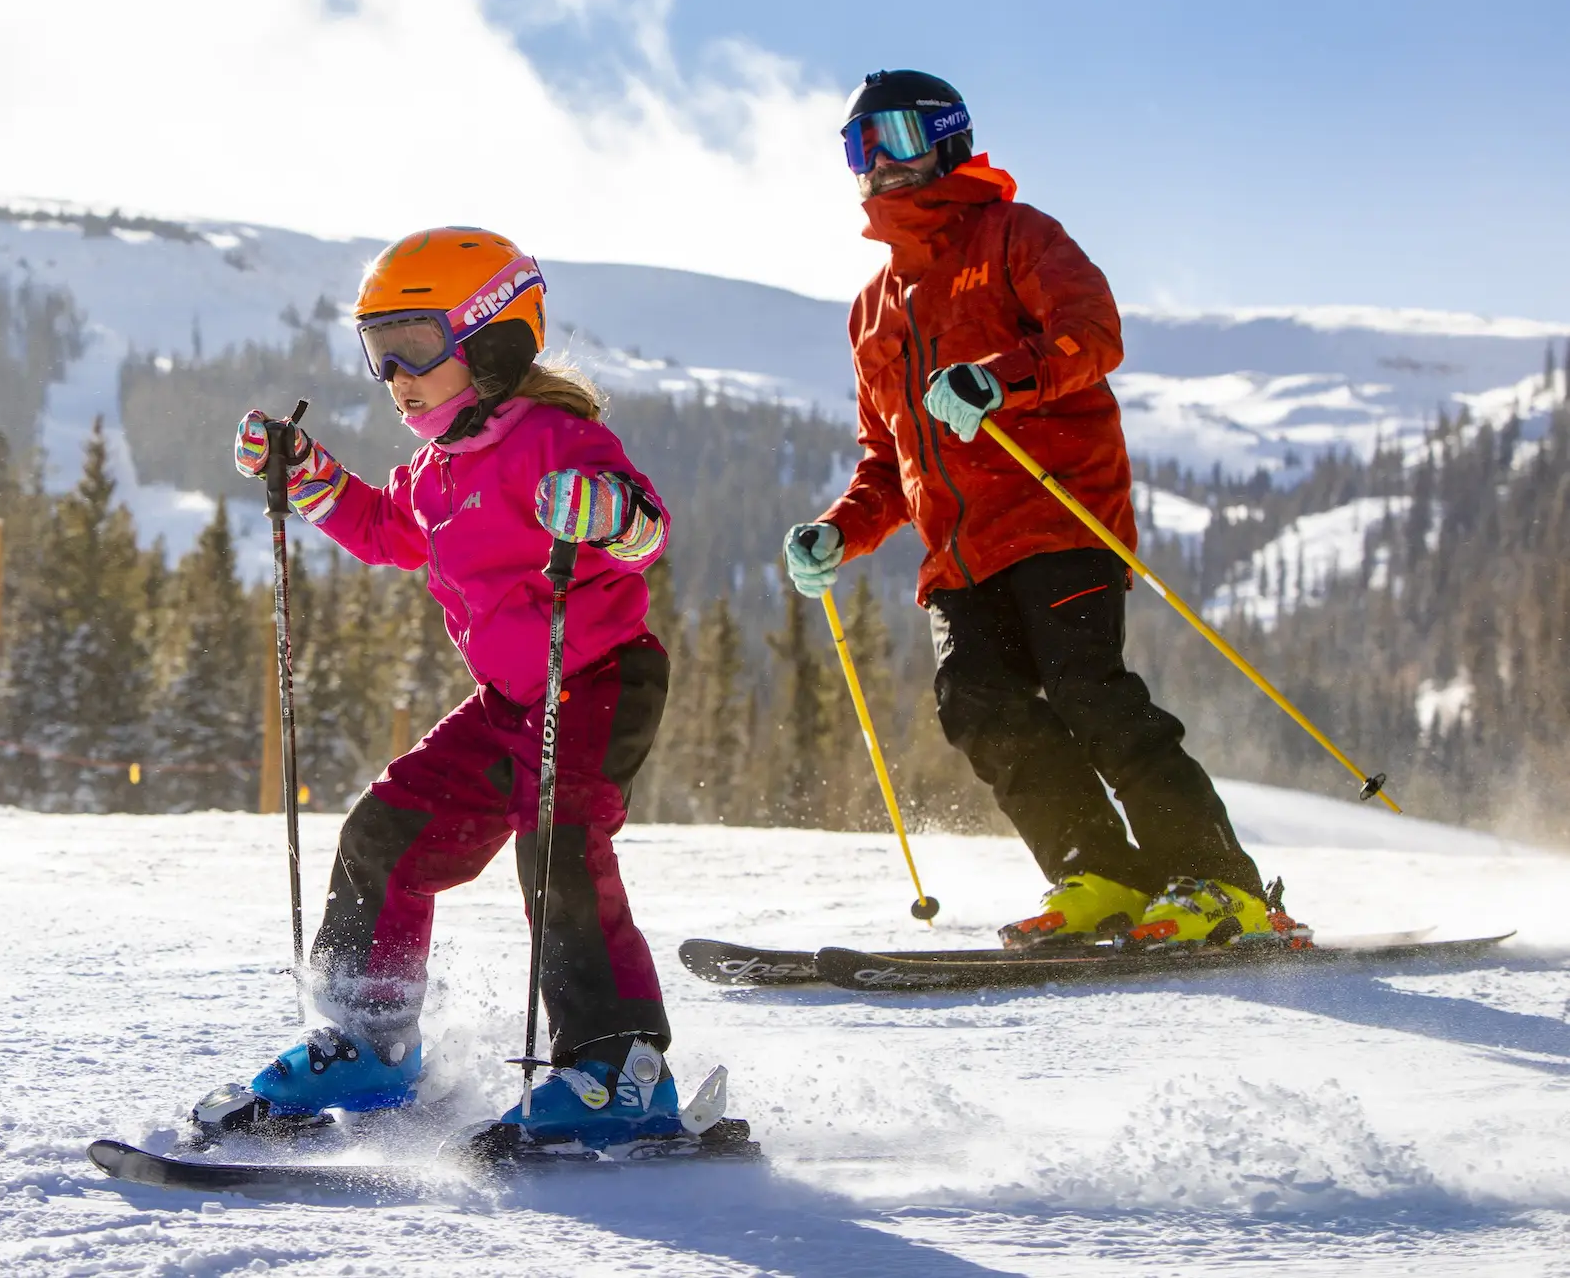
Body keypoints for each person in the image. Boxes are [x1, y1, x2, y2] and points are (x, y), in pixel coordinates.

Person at [781, 70, 1307, 951]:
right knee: (975, 701)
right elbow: (891, 456)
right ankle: (1099, 873)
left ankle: (1221, 881)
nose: (878, 165)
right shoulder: (873, 309)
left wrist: (1003, 377)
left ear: (946, 139)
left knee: (1087, 690)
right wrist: (841, 526)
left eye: (897, 139)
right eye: (859, 148)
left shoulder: (1016, 236)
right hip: (960, 555)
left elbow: (1094, 331)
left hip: (1058, 518)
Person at [210, 227, 697, 1150]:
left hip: (596, 680)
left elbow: (645, 527)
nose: (395, 373)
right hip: (514, 703)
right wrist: (308, 474)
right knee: (386, 833)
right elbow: (388, 528)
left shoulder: (558, 437)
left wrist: (604, 512)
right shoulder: (437, 472)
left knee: (558, 847)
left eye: (417, 344)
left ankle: (620, 1069)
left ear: (492, 338)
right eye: (376, 350)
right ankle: (371, 1038)